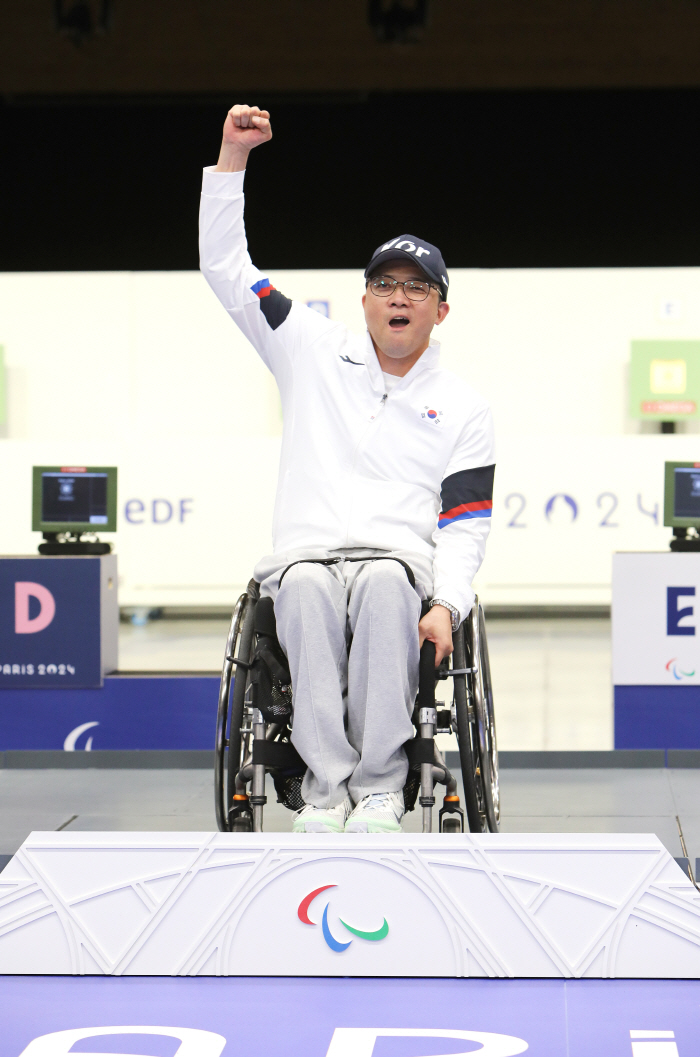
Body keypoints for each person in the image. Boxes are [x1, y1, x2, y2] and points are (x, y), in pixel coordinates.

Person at [200, 104, 495, 834]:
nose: (399, 296)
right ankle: (327, 788)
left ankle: (381, 788)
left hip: (396, 562)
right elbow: (226, 270)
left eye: (417, 287)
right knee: (300, 586)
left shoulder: (463, 407)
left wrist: (448, 603)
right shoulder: (308, 346)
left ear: (440, 310)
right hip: (305, 553)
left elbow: (463, 526)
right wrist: (232, 159)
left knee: (389, 587)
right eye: (385, 284)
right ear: (364, 299)